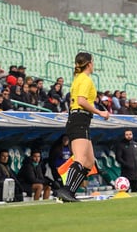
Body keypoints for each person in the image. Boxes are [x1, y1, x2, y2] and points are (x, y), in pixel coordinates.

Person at [55, 52, 109, 202]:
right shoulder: (85, 79)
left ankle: (70, 192)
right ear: (89, 63)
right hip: (80, 119)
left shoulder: (78, 79)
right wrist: (100, 112)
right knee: (79, 159)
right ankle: (66, 190)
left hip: (79, 120)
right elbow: (82, 101)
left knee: (89, 162)